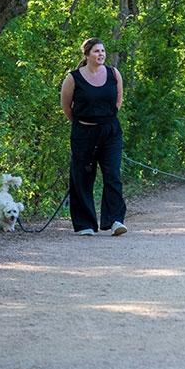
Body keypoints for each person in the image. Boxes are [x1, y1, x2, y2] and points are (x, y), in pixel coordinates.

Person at [59, 38, 127, 236]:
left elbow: (118, 102)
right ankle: (85, 224)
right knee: (82, 177)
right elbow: (66, 107)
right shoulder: (73, 78)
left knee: (113, 174)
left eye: (103, 51)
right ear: (87, 55)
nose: (101, 54)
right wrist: (85, 123)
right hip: (83, 133)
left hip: (110, 132)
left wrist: (104, 121)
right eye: (97, 51)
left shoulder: (114, 74)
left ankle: (115, 220)